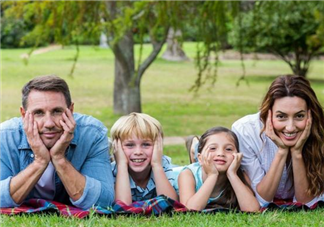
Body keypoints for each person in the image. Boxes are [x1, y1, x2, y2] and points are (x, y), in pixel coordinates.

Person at [0, 75, 114, 209]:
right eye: (39, 113)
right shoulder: (5, 137)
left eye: (57, 111)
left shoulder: (92, 135)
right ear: (24, 114)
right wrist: (40, 162)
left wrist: (59, 158)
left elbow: (103, 201)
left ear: (70, 110)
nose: (49, 123)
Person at [232, 75, 324, 207]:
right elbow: (262, 200)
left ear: (310, 114)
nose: (290, 127)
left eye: (299, 116)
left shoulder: (319, 132)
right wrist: (281, 151)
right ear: (268, 113)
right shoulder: (245, 130)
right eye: (281, 116)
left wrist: (297, 153)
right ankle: (197, 147)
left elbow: (306, 203)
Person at [178, 126, 260, 211]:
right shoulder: (187, 174)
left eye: (228, 149)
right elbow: (190, 210)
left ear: (238, 156)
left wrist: (232, 174)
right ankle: (194, 148)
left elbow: (253, 210)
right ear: (200, 158)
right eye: (213, 148)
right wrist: (212, 175)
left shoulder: (239, 174)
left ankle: (195, 147)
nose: (221, 153)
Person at [110, 112, 178, 205]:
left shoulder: (162, 164)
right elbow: (123, 206)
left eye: (146, 144)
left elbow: (171, 204)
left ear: (158, 146)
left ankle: (194, 147)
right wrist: (121, 165)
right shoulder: (111, 171)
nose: (138, 152)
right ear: (116, 147)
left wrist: (157, 165)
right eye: (130, 145)